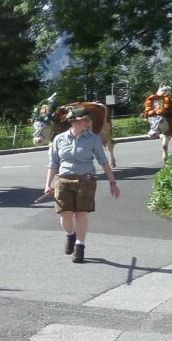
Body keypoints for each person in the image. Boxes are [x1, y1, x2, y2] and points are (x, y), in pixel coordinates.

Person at [43, 105, 119, 263]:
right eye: (85, 120)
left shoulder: (93, 139)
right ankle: (70, 235)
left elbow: (104, 162)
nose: (88, 123)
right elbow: (53, 163)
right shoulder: (59, 139)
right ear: (74, 122)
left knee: (81, 213)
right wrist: (47, 184)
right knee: (64, 213)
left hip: (86, 180)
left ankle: (80, 246)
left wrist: (112, 182)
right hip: (63, 180)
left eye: (88, 120)